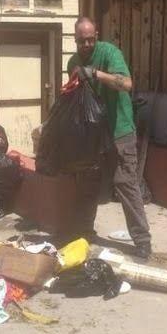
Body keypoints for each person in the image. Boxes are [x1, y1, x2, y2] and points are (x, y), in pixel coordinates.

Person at [66, 16, 152, 259]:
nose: (87, 45)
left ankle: (142, 240)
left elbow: (127, 84)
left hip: (119, 131)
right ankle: (84, 232)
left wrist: (95, 73)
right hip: (92, 135)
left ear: (96, 36)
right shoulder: (73, 62)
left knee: (126, 184)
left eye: (91, 39)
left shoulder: (110, 53)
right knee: (87, 184)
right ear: (75, 39)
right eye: (82, 41)